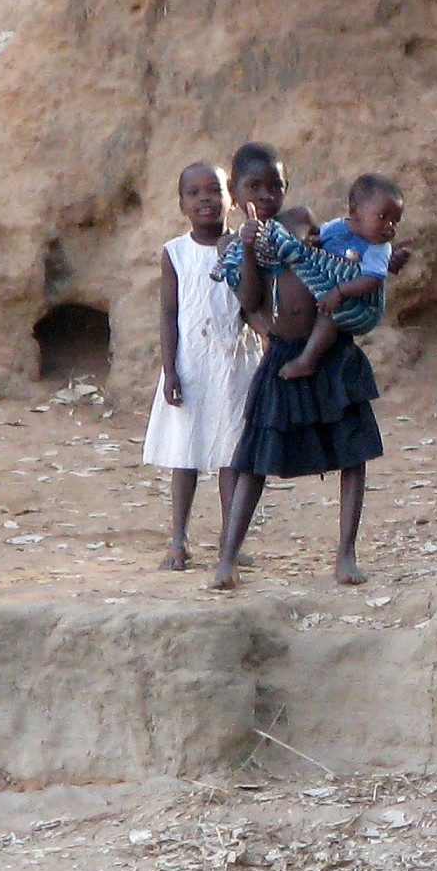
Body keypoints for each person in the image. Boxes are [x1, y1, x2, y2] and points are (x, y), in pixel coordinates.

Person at [211, 151, 390, 590]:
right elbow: (249, 300)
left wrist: (381, 260)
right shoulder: (232, 245)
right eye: (254, 187)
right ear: (234, 192)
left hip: (332, 350)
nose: (266, 196)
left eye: (274, 186)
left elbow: (341, 259)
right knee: (253, 458)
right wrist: (248, 248)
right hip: (283, 354)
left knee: (353, 452)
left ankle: (346, 553)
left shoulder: (301, 221)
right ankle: (227, 558)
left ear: (286, 188)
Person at [143, 162, 253, 571]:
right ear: (181, 203)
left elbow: (253, 303)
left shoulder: (244, 246)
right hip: (191, 362)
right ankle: (178, 538)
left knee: (232, 452)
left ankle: (230, 541)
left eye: (214, 190)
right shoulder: (175, 253)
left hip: (234, 362)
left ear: (231, 199)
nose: (205, 198)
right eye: (194, 192)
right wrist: (170, 370)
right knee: (185, 453)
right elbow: (168, 314)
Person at [278, 173, 408, 382]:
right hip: (337, 292)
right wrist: (313, 242)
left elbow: (373, 281)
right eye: (383, 217)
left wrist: (338, 292)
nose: (390, 226)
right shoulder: (336, 228)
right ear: (355, 211)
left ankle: (308, 360)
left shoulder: (378, 248)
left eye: (396, 221)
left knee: (328, 314)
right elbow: (318, 239)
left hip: (363, 307)